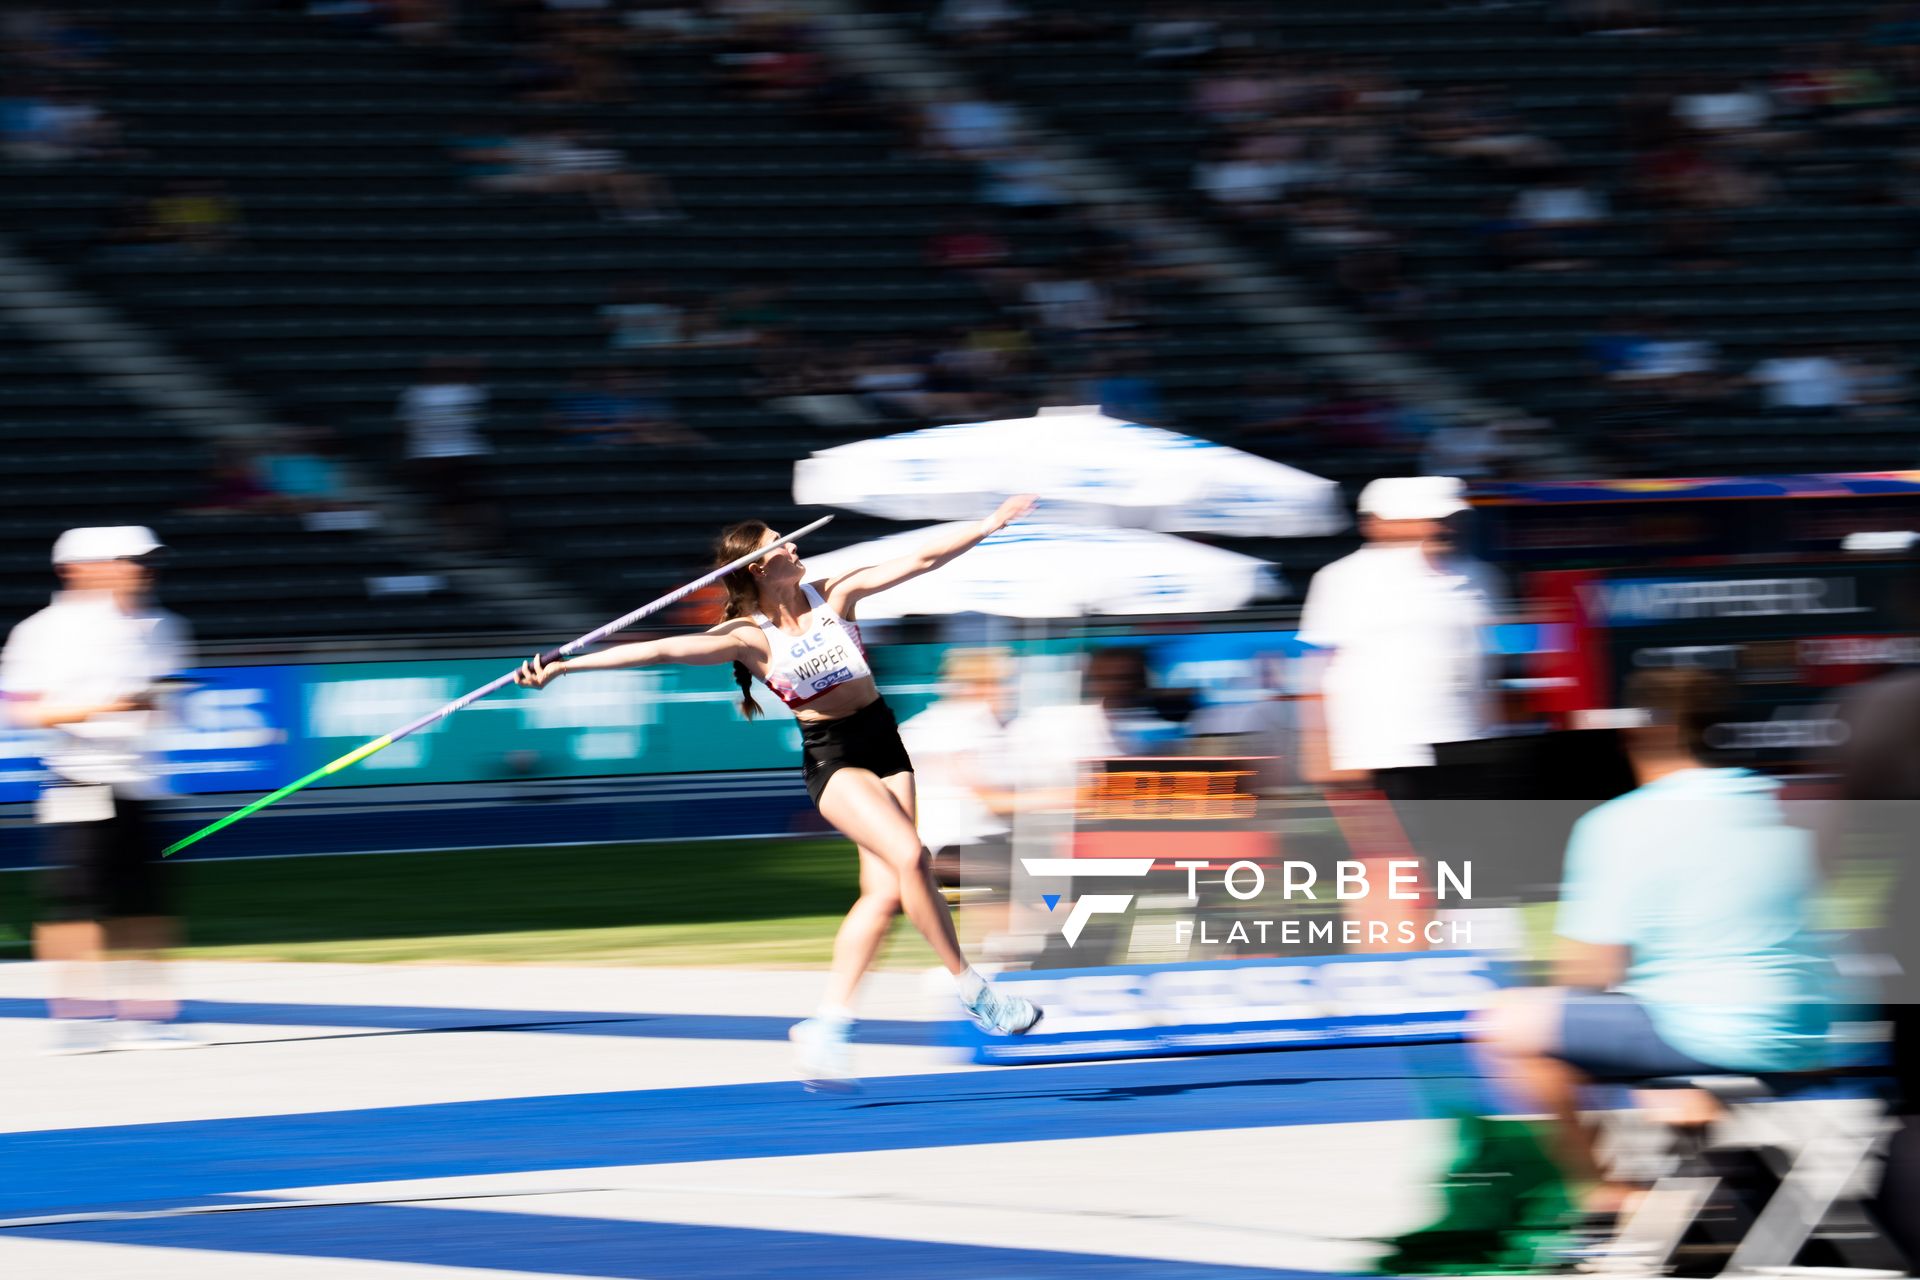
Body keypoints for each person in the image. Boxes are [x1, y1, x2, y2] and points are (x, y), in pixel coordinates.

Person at [517, 499, 1045, 1084]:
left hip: (885, 745)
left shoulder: (833, 595)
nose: (794, 545)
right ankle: (973, 991)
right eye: (780, 543)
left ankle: (829, 1022)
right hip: (834, 758)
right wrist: (565, 666)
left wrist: (989, 524)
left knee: (884, 896)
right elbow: (661, 649)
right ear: (757, 570)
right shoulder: (749, 637)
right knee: (910, 856)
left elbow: (922, 559)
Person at [1477, 668, 1836, 1221]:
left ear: (1636, 738)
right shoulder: (1784, 803)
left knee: (1508, 1023)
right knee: (1657, 1020)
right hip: (1813, 1033)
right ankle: (1708, 1153)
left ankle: (1606, 1192)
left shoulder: (1621, 822)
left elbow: (1586, 973)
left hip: (1715, 1033)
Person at [0, 526, 193, 1053]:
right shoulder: (41, 632)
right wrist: (108, 707)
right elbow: (23, 710)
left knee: (145, 904)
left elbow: (172, 699)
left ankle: (147, 1017)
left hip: (140, 782)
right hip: (78, 778)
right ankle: (78, 1018)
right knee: (76, 902)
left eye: (146, 561)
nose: (142, 570)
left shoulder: (164, 626)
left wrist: (157, 704)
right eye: (129, 560)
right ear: (80, 567)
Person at [1297, 475, 1501, 800]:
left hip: (1468, 745)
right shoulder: (1344, 578)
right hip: (1386, 752)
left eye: (1448, 519)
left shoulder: (1481, 576)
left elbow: (1483, 665)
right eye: (1431, 519)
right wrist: (1322, 753)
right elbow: (1317, 669)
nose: (1442, 527)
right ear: (1384, 523)